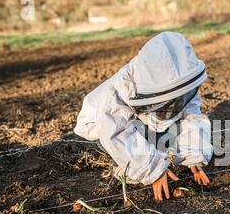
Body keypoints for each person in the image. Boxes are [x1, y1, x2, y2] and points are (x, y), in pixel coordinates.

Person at [74, 31, 213, 201]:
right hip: (102, 127)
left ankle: (154, 152)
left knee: (168, 134)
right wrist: (153, 170)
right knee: (132, 149)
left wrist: (193, 156)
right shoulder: (116, 94)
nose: (178, 102)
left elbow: (191, 115)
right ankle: (123, 167)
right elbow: (117, 132)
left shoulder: (184, 85)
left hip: (148, 121)